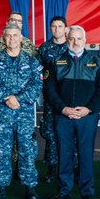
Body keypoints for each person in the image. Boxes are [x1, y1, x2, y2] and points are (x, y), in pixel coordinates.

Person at [43, 25, 100, 199]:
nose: (75, 42)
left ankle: (88, 193)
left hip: (87, 117)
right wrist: (63, 108)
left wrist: (89, 109)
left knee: (86, 154)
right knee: (64, 153)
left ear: (85, 40)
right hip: (63, 116)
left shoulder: (96, 62)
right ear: (67, 39)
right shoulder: (56, 61)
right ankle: (63, 191)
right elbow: (49, 90)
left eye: (79, 38)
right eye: (72, 38)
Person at [0, 24, 43, 199]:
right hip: (2, 111)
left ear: (21, 38)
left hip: (24, 112)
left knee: (27, 148)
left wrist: (19, 99)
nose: (12, 39)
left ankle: (30, 186)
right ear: (4, 38)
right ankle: (1, 185)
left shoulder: (31, 61)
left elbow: (37, 85)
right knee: (2, 149)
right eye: (8, 35)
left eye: (15, 35)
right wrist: (6, 98)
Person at [35, 15, 69, 184]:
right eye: (54, 26)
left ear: (65, 28)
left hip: (69, 98)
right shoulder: (45, 48)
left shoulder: (71, 45)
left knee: (69, 134)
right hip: (51, 99)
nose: (56, 29)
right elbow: (37, 71)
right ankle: (52, 168)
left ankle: (71, 168)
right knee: (50, 133)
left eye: (60, 26)